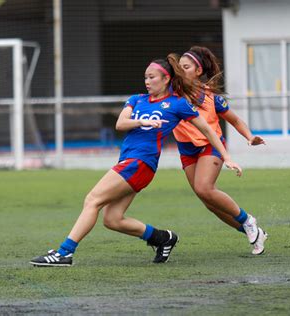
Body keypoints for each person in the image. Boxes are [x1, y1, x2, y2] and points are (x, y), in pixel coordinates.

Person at [30, 55, 242, 267]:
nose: (147, 81)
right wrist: (141, 120)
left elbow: (207, 129)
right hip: (130, 162)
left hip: (141, 163)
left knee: (92, 200)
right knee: (112, 220)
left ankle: (64, 253)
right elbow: (120, 124)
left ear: (166, 79)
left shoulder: (177, 104)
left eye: (152, 77)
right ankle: (162, 238)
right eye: (145, 77)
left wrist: (227, 157)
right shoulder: (137, 99)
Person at [172, 46, 267, 255]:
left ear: (198, 71)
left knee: (205, 188)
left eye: (185, 67)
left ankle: (248, 220)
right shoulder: (171, 93)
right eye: (179, 67)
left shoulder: (210, 97)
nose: (180, 70)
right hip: (187, 150)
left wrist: (250, 137)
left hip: (211, 146)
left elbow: (234, 120)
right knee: (209, 202)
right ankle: (255, 232)